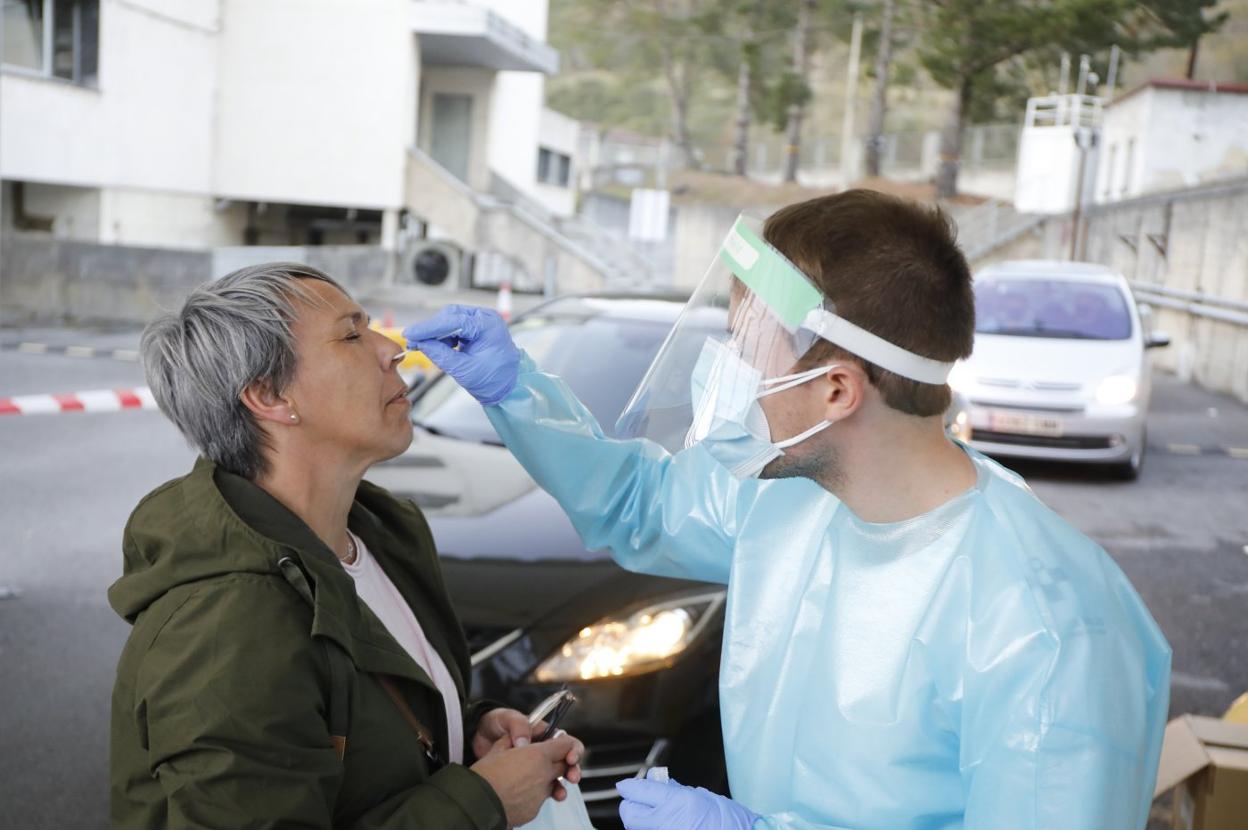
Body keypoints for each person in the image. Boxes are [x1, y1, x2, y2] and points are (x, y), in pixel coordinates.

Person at [403, 191, 1172, 830]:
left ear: (838, 390)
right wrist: (516, 392)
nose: (725, 371)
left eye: (748, 347)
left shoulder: (1044, 625)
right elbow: (643, 503)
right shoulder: (795, 505)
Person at [110, 263, 583, 830]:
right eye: (352, 334)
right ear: (268, 395)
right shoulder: (224, 626)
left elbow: (355, 723)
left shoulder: (382, 534)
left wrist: (464, 729)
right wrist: (481, 802)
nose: (393, 349)